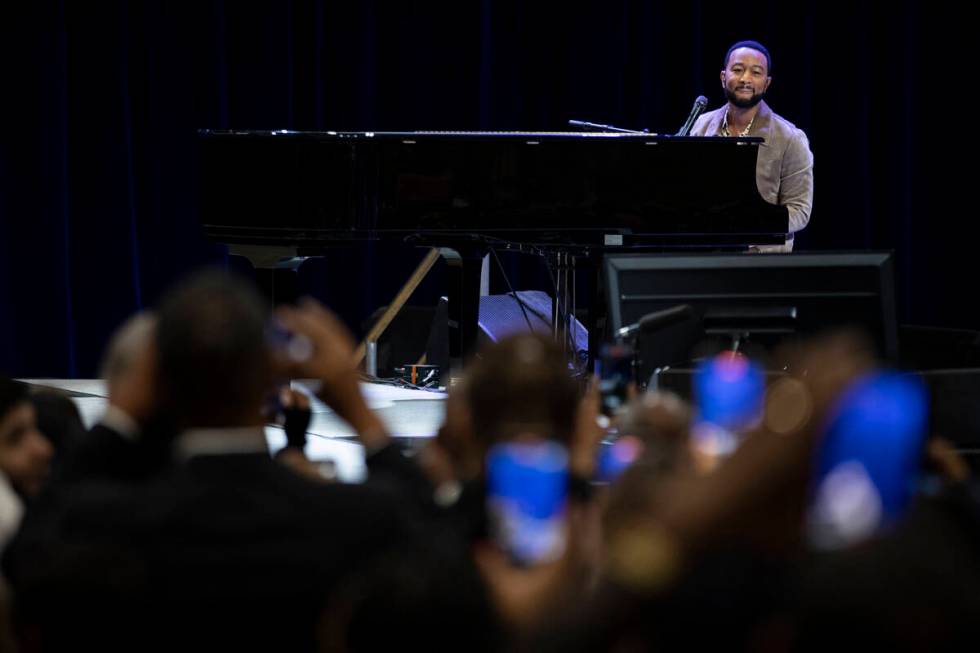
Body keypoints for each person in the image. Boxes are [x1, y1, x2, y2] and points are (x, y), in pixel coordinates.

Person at [690, 40, 814, 252]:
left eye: (756, 72)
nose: (745, 78)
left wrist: (751, 226)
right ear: (723, 77)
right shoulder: (701, 126)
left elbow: (800, 211)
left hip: (762, 262)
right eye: (737, 70)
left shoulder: (791, 138)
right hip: (707, 255)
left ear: (766, 83)